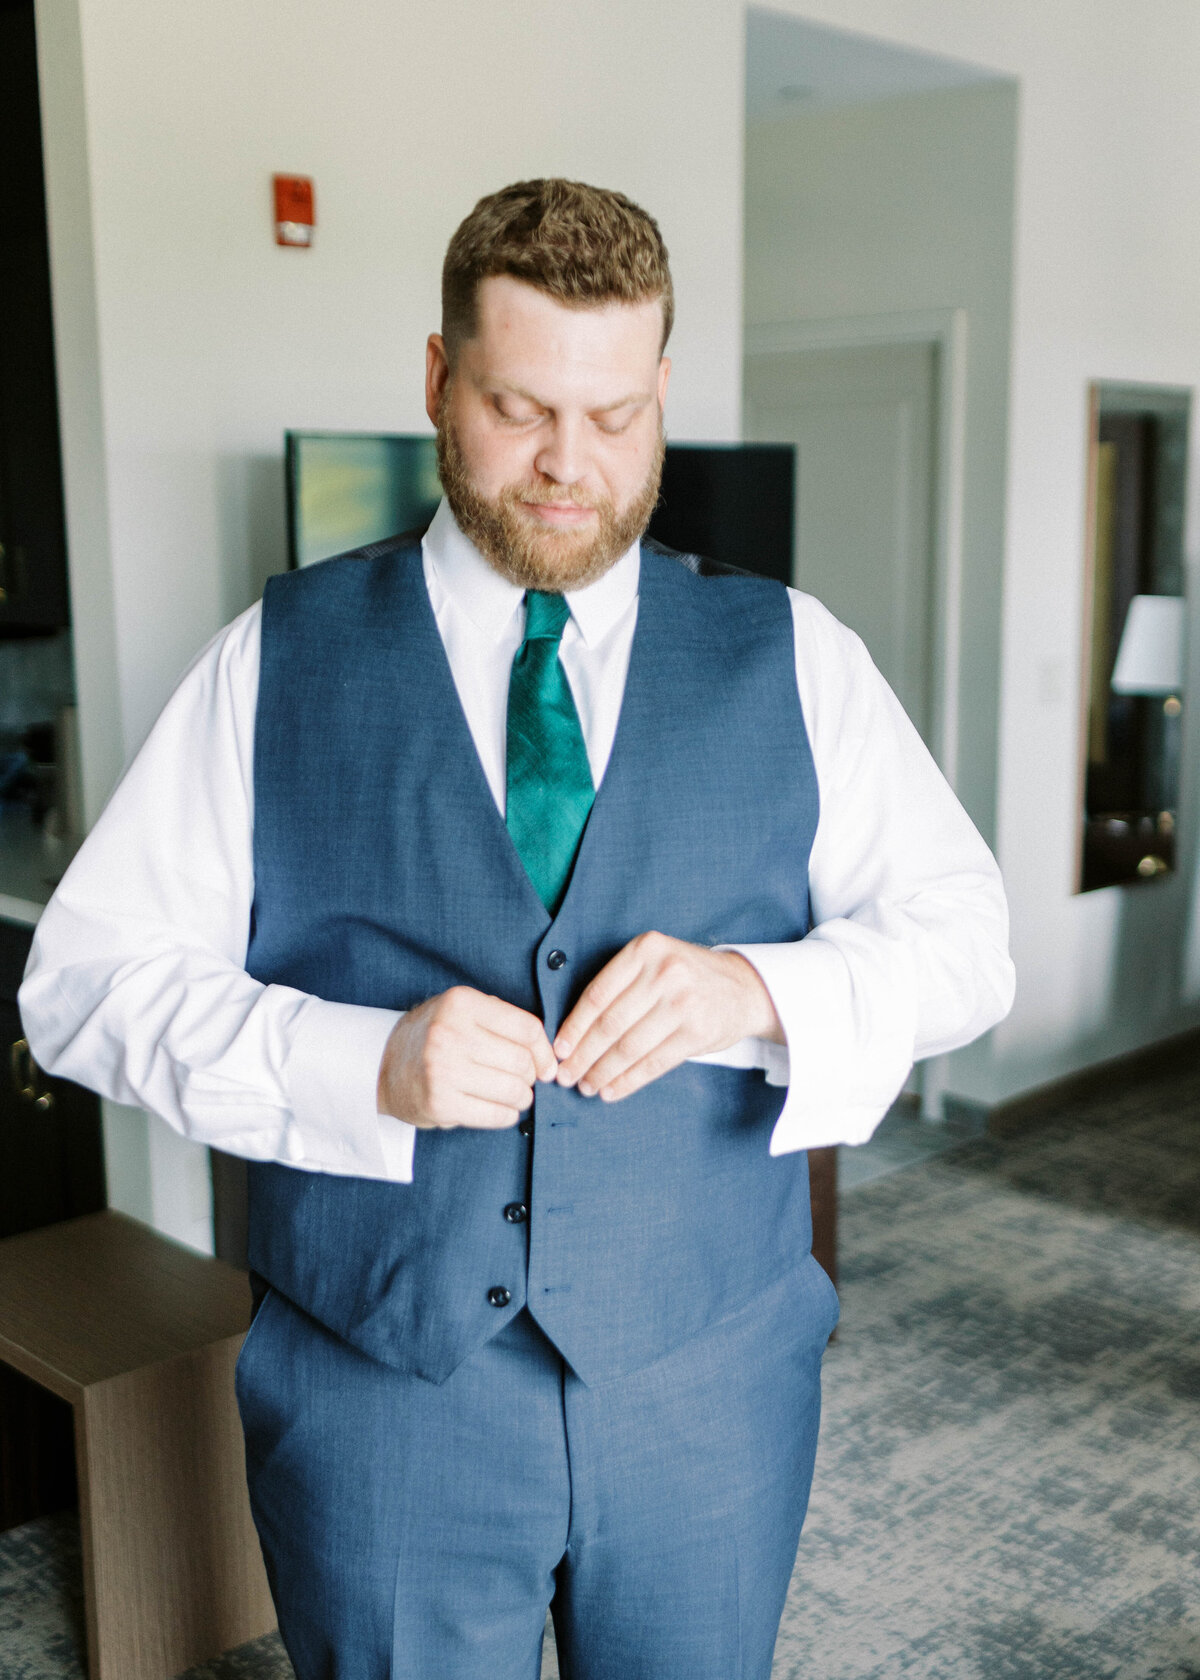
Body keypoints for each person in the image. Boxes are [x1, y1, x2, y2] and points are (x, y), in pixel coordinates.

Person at [20, 178, 1015, 1680]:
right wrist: (361, 1062)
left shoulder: (797, 656)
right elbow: (80, 985)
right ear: (436, 379)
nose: (569, 465)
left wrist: (757, 986)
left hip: (709, 1384)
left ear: (664, 391)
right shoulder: (271, 662)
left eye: (616, 416)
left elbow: (968, 944)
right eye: (518, 405)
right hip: (384, 1403)